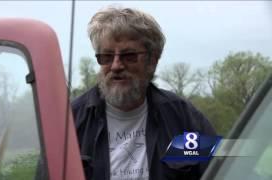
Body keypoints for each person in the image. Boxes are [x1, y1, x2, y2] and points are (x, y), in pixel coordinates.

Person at [72, 6, 216, 180]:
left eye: (129, 55)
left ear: (152, 61)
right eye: (107, 56)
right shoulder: (72, 122)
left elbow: (221, 171)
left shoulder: (181, 119)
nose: (116, 65)